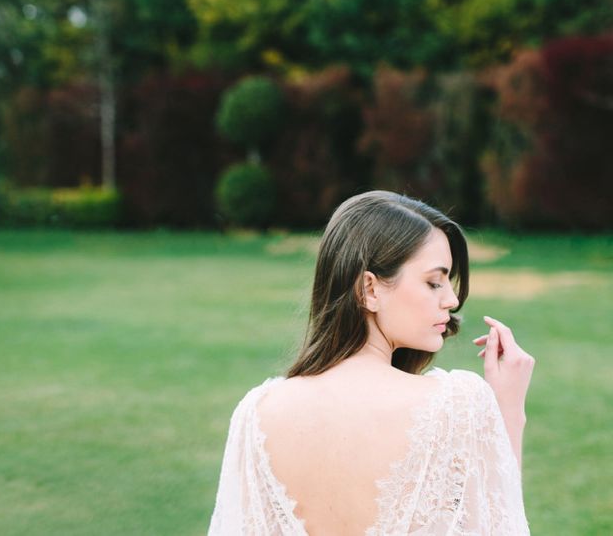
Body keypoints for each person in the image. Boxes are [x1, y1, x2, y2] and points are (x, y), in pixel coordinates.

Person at [208, 190, 534, 535]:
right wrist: (508, 411)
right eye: (434, 282)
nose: (452, 299)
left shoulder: (256, 414)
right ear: (369, 289)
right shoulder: (458, 405)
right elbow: (500, 525)